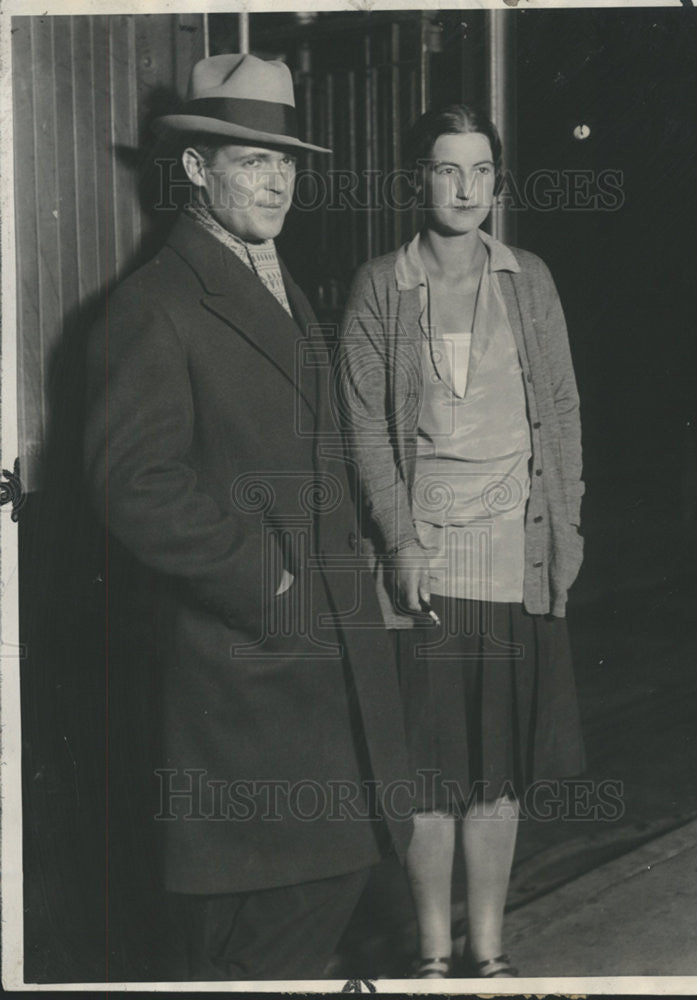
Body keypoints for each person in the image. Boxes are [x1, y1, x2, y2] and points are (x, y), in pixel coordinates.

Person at [84, 53, 412, 981]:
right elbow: (132, 484)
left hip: (316, 673)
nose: (276, 182)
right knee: (258, 939)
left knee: (315, 900)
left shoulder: (282, 285)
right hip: (246, 689)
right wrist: (264, 580)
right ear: (194, 169)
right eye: (250, 160)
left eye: (287, 163)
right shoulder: (153, 306)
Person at [338, 104, 586, 979]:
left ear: (497, 181)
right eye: (447, 170)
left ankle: (488, 953)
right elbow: (366, 429)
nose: (465, 188)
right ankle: (433, 958)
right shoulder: (379, 286)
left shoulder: (530, 280)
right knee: (429, 772)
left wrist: (567, 530)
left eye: (480, 171)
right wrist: (400, 542)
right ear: (419, 179)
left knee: (498, 773)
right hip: (427, 558)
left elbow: (558, 408)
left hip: (510, 551)